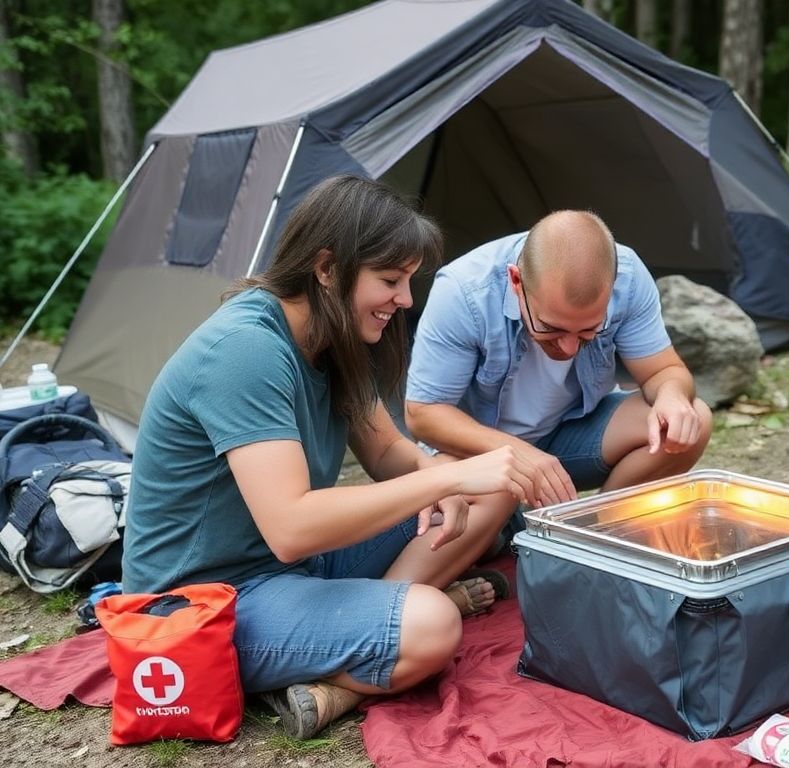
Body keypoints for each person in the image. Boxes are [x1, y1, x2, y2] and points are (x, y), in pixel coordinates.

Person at [121, 175, 544, 740]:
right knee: (434, 625)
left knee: (487, 492)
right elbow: (292, 527)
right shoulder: (246, 350)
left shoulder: (332, 336)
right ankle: (375, 644)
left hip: (296, 571)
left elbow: (389, 451)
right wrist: (440, 481)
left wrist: (442, 474)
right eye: (390, 280)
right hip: (202, 606)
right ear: (326, 268)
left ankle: (366, 632)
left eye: (409, 281)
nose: (405, 300)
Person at [404, 210, 713, 535]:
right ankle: (508, 531)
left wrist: (672, 396)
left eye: (588, 330)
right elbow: (423, 414)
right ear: (516, 281)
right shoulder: (464, 292)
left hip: (568, 433)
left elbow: (663, 371)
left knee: (692, 419)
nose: (567, 347)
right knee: (446, 517)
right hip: (478, 453)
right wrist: (517, 454)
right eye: (551, 328)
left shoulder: (628, 276)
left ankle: (596, 532)